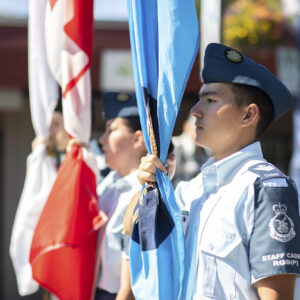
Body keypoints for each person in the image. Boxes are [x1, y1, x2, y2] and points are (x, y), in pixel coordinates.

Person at [124, 43, 300, 299]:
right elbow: (133, 229)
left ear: (248, 115)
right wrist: (149, 185)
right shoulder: (190, 189)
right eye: (199, 99)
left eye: (210, 100)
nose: (195, 111)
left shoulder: (266, 188)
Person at [95, 92, 147, 300]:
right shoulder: (108, 184)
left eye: (112, 130)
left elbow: (132, 282)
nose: (101, 139)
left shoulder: (143, 195)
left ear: (137, 139)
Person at [172, 114, 210, 187]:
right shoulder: (174, 146)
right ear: (186, 127)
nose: (202, 133)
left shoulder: (207, 152)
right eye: (198, 128)